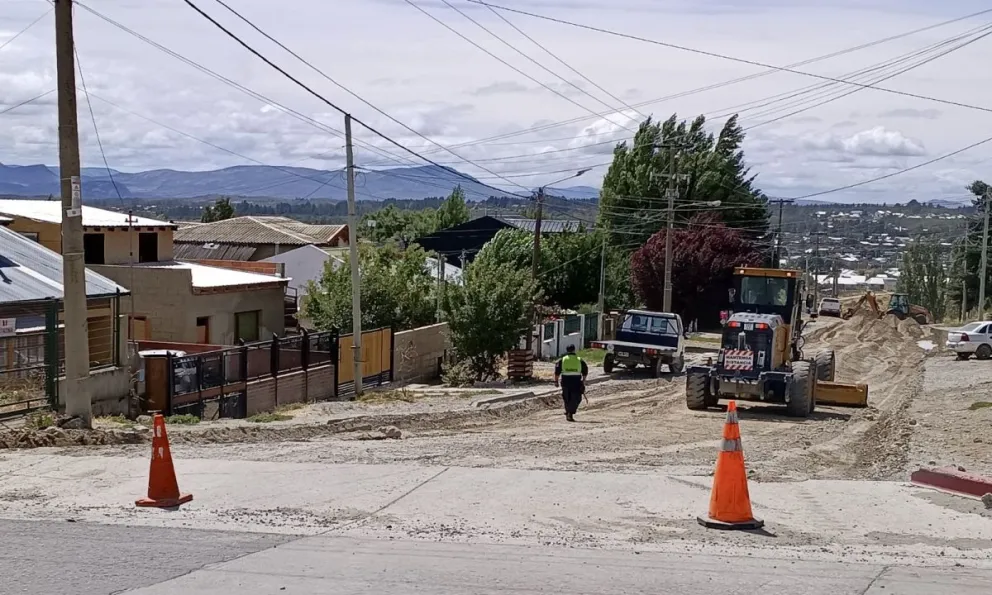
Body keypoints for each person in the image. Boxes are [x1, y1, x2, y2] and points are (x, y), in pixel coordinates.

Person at [554, 345, 588, 422]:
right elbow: (585, 371)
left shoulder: (562, 360)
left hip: (565, 381)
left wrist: (556, 381)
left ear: (567, 350)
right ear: (574, 350)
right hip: (576, 381)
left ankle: (568, 411)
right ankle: (570, 413)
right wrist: (583, 381)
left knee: (567, 397)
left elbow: (557, 372)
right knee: (576, 398)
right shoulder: (579, 360)